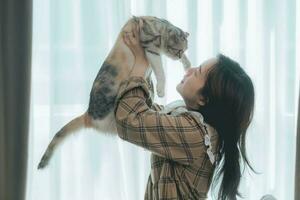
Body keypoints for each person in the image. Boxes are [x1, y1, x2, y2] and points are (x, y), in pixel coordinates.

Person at [113, 22, 258, 200]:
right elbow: (145, 112)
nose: (189, 70)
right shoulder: (188, 118)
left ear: (204, 99)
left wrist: (138, 62)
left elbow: (129, 119)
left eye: (197, 72)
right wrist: (148, 54)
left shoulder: (194, 134)